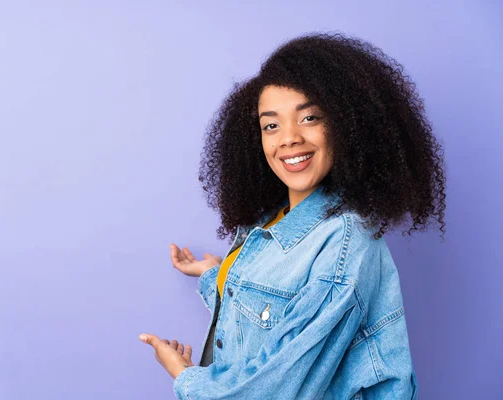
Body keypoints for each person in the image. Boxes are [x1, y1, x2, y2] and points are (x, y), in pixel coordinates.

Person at [139, 32, 446, 399]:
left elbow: (276, 386)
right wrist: (216, 274)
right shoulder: (275, 219)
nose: (288, 138)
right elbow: (269, 307)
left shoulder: (344, 242)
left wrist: (184, 375)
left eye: (309, 117)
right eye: (271, 124)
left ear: (348, 125)